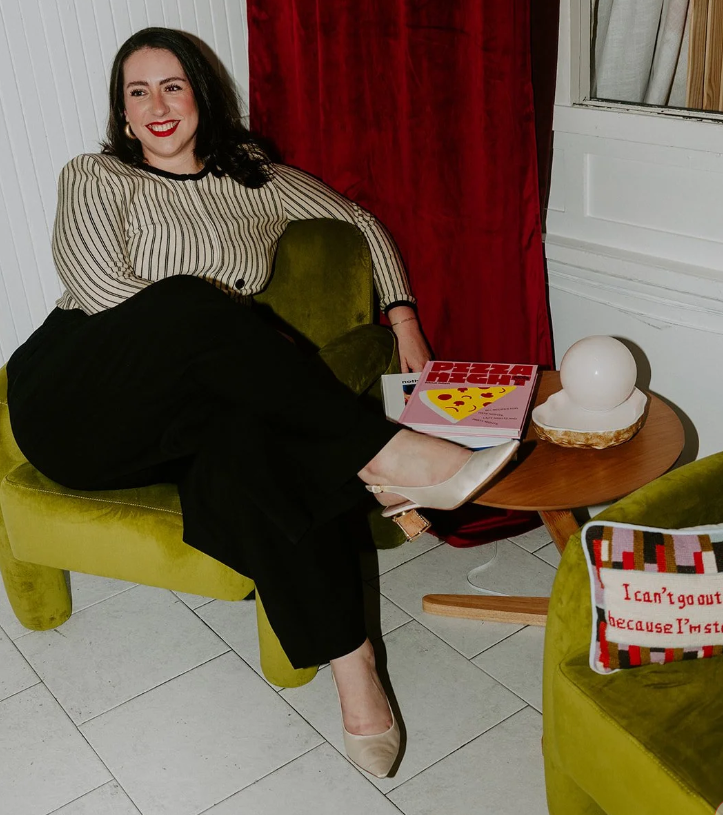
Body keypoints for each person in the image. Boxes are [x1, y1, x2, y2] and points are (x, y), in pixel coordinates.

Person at [5, 27, 517, 779]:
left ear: (201, 95)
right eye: (136, 91)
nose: (156, 104)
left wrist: (401, 314)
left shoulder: (257, 181)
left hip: (183, 412)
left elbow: (360, 222)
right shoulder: (96, 175)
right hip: (79, 395)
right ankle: (389, 454)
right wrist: (207, 320)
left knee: (261, 448)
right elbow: (99, 293)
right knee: (189, 305)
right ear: (120, 112)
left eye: (172, 85)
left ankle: (354, 666)